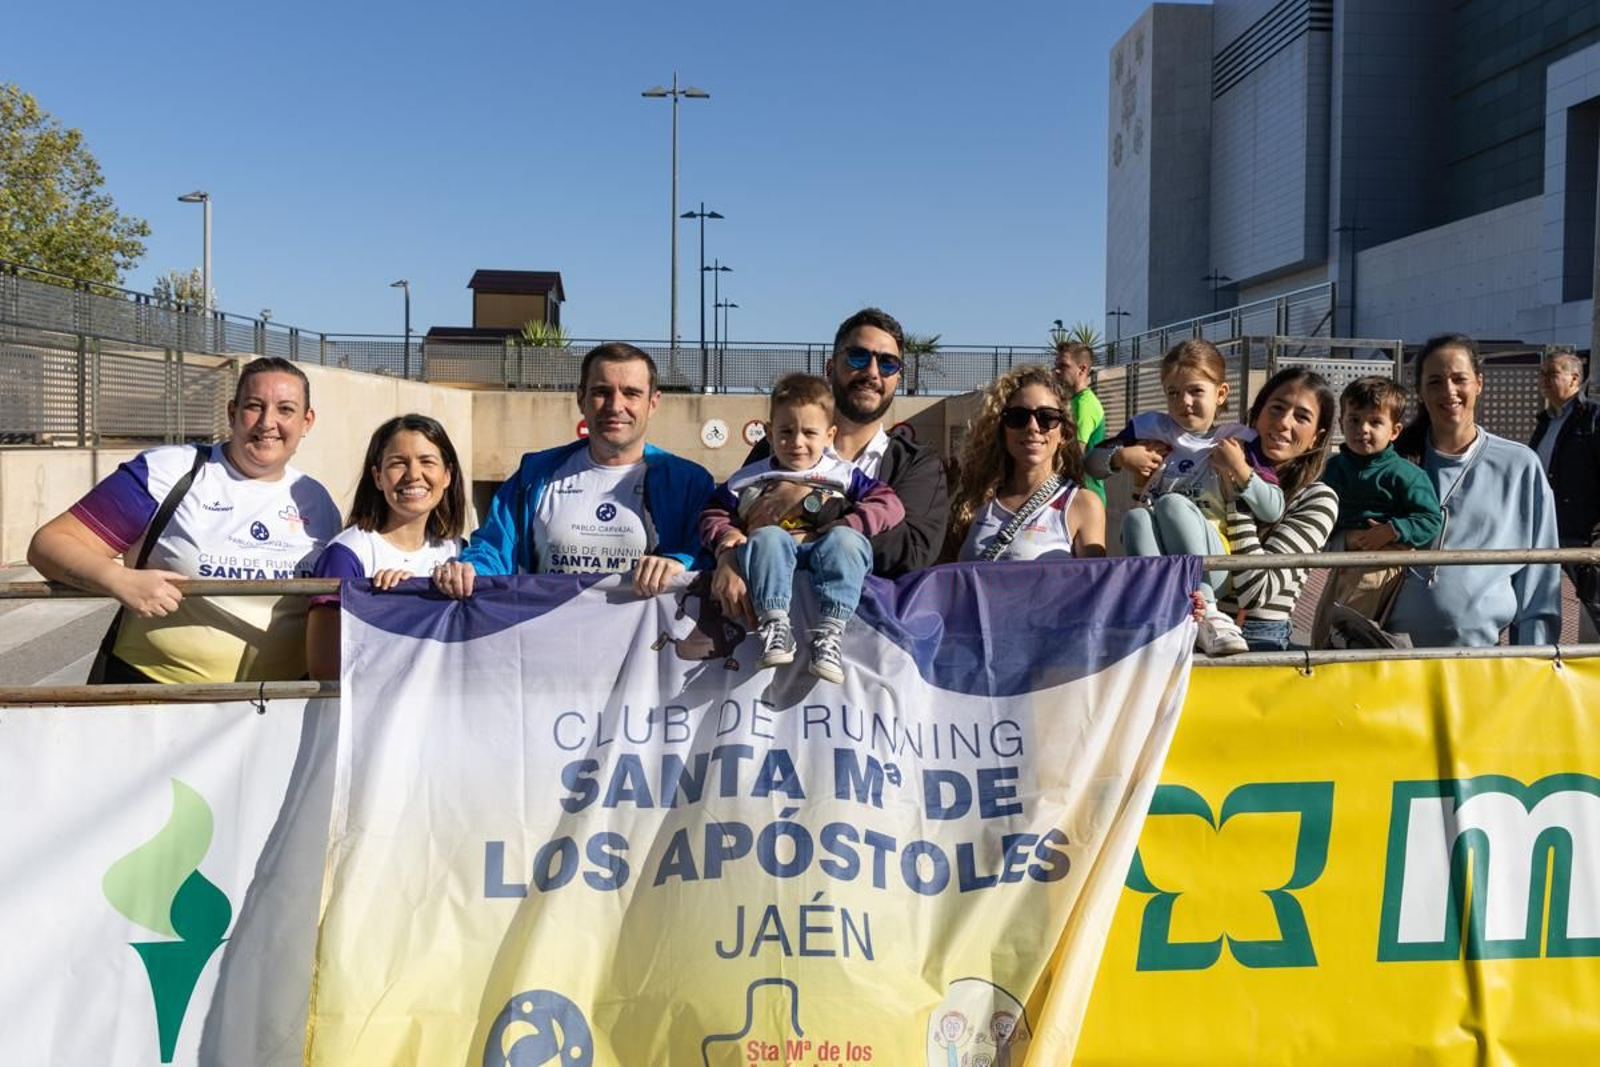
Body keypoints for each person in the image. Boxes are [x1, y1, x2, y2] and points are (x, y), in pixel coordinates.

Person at [26, 356, 340, 683]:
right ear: (233, 413)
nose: (267, 422)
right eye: (254, 405)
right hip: (153, 699)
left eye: (285, 409)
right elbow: (49, 544)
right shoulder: (168, 471)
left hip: (274, 708)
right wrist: (118, 580)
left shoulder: (317, 500)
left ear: (307, 422)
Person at [710, 308, 948, 622]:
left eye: (887, 363)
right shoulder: (774, 448)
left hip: (874, 645)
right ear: (831, 367)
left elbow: (912, 552)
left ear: (897, 379)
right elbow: (733, 518)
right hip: (773, 644)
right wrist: (726, 556)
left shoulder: (918, 464)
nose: (873, 372)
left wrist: (808, 503)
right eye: (859, 357)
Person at [434, 342, 714, 598]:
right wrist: (471, 569)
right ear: (581, 399)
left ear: (653, 403)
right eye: (601, 392)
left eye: (631, 393)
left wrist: (681, 563)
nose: (616, 406)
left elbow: (710, 558)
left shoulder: (690, 483)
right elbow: (495, 549)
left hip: (643, 648)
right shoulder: (535, 476)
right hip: (549, 642)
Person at [699, 374, 906, 682]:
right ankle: (775, 625)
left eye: (810, 432)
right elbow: (712, 513)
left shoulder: (843, 474)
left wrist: (848, 523)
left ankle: (830, 634)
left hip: (825, 554)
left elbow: (891, 505)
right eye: (785, 431)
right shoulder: (747, 478)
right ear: (769, 433)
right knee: (767, 537)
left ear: (829, 434)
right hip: (772, 560)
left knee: (847, 541)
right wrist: (728, 536)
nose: (796, 442)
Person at [1086, 338, 1284, 656]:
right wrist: (1122, 456)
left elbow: (1273, 508)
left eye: (1196, 391)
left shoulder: (1239, 441)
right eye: (1173, 393)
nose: (1184, 402)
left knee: (1172, 503)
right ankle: (1157, 614)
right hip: (1167, 565)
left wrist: (1241, 470)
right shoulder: (1152, 428)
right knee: (1136, 517)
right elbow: (1092, 464)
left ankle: (1211, 614)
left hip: (1214, 563)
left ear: (1220, 394)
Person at [1385, 333, 1560, 647]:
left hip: (1478, 661)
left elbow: (1539, 577)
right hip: (1386, 654)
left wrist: (1535, 659)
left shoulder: (1519, 465)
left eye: (1459, 379)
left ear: (1479, 382)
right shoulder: (1393, 463)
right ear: (1420, 392)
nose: (1448, 391)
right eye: (1435, 382)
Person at [306, 415, 467, 679]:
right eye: (398, 463)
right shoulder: (346, 554)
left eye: (427, 461)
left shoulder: (459, 552)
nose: (414, 475)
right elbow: (324, 669)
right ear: (378, 477)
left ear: (447, 475)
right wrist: (388, 608)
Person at [1309, 376, 1442, 646]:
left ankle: (1340, 651)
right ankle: (1321, 656)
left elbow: (1430, 519)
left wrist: (1391, 530)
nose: (1363, 429)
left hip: (1383, 560)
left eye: (1375, 422)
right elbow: (1317, 510)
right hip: (1343, 559)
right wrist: (1343, 537)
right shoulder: (1333, 469)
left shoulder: (1405, 474)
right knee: (1324, 619)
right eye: (1354, 420)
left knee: (1352, 620)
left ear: (1394, 431)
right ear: (1341, 424)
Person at [1216, 367, 1341, 650]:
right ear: (1256, 414)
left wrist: (1239, 488)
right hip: (1193, 627)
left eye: (1302, 417)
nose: (1284, 423)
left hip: (1259, 639)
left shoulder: (1317, 499)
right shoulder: (1212, 470)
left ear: (1317, 438)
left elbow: (1256, 591)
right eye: (1276, 408)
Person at [948, 365, 1106, 561]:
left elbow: (1094, 587)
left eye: (1047, 418)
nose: (1032, 427)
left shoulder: (1082, 505)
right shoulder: (973, 500)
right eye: (1017, 417)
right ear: (1002, 429)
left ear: (1063, 433)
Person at [1529, 348, 1600, 638]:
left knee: (1595, 602)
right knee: (1536, 602)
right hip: (1545, 529)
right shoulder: (1545, 422)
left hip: (1582, 531)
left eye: (1552, 373)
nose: (1544, 379)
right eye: (1542, 374)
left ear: (1574, 378)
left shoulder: (1592, 418)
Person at [1053, 341, 1107, 503]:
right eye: (1056, 365)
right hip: (1072, 493)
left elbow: (1074, 454)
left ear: (1082, 369)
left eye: (1063, 366)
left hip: (1085, 498)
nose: (1057, 370)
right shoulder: (1073, 401)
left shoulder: (1085, 404)